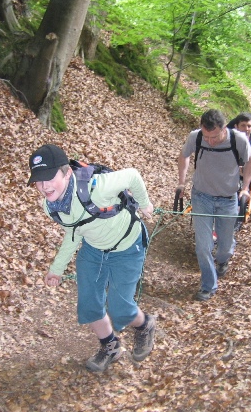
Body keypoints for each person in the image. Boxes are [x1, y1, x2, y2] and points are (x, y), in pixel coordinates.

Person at [27, 144, 157, 373]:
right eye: (38, 180)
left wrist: (144, 204)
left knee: (120, 309)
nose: (44, 186)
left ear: (67, 173)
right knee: (88, 303)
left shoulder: (97, 188)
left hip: (126, 247)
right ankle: (110, 346)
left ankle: (145, 325)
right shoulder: (50, 206)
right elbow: (73, 231)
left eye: (49, 177)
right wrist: (56, 269)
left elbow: (132, 175)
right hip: (93, 250)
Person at [176, 109, 251, 301]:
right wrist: (181, 181)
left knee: (225, 246)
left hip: (228, 199)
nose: (210, 141)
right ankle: (208, 285)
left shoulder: (238, 140)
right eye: (206, 136)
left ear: (224, 128)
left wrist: (245, 188)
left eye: (215, 136)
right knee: (203, 245)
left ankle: (222, 261)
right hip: (201, 197)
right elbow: (183, 156)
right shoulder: (195, 137)